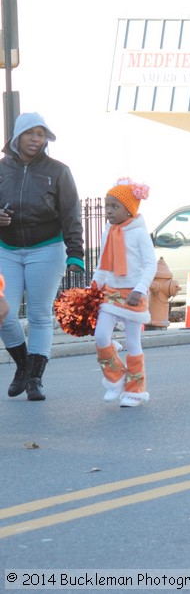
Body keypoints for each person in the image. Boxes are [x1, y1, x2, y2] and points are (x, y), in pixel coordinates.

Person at [0, 113, 84, 401]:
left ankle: (34, 378)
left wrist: (76, 253)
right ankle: (23, 364)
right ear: (17, 136)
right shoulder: (1, 169)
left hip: (46, 248)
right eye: (31, 133)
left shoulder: (58, 171)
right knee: (3, 312)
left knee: (38, 314)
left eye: (41, 134)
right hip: (6, 250)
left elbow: (71, 213)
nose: (36, 139)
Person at [91, 178, 157, 407]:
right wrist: (94, 286)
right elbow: (102, 263)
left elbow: (151, 265)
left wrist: (140, 290)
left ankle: (135, 390)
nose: (108, 211)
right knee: (101, 336)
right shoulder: (108, 230)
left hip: (133, 294)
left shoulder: (139, 233)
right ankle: (116, 377)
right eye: (107, 206)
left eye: (114, 206)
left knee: (132, 341)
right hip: (111, 291)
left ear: (129, 209)